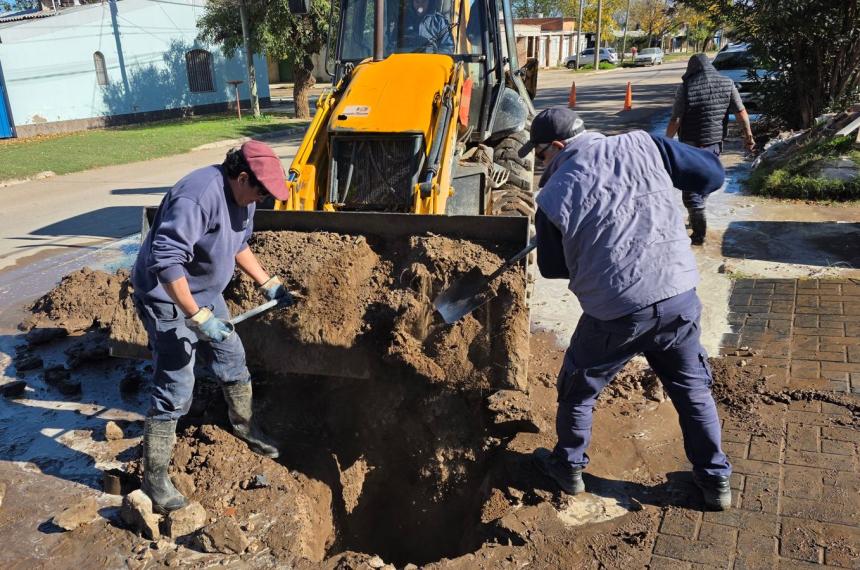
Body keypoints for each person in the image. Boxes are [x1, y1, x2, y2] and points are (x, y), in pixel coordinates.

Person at [529, 107, 733, 511]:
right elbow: (711, 174)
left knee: (579, 386)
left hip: (616, 311)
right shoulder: (646, 144)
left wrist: (582, 240)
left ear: (557, 146)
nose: (540, 166)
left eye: (540, 156)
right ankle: (715, 481)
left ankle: (568, 468)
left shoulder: (552, 197)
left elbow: (552, 268)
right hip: (677, 296)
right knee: (692, 389)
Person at [131, 140, 291, 514]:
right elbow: (166, 260)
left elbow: (237, 243)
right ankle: (154, 479)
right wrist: (197, 316)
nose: (262, 200)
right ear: (240, 177)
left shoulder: (244, 198)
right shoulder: (198, 196)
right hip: (166, 295)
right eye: (261, 192)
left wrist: (267, 282)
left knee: (232, 357)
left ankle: (247, 429)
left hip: (203, 292)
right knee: (176, 384)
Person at [666, 53, 755, 245]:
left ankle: (698, 234)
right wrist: (748, 136)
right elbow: (741, 113)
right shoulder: (727, 83)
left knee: (690, 188)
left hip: (690, 144)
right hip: (714, 144)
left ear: (691, 69)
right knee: (703, 179)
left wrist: (666, 142)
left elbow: (676, 119)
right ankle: (697, 215)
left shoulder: (686, 87)